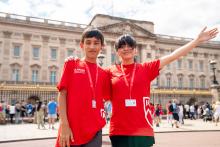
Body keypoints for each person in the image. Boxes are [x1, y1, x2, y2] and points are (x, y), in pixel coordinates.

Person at [107, 27, 218, 147]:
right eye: (122, 46)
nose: (126, 48)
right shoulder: (109, 71)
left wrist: (196, 41)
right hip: (119, 129)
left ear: (135, 51)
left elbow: (172, 56)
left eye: (130, 46)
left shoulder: (146, 68)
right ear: (117, 52)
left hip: (142, 129)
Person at [56, 27, 110, 147]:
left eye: (96, 43)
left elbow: (108, 97)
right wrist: (64, 124)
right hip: (71, 129)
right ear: (81, 45)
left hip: (95, 131)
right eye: (88, 42)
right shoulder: (71, 64)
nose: (92, 47)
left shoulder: (104, 73)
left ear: (102, 47)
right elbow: (62, 94)